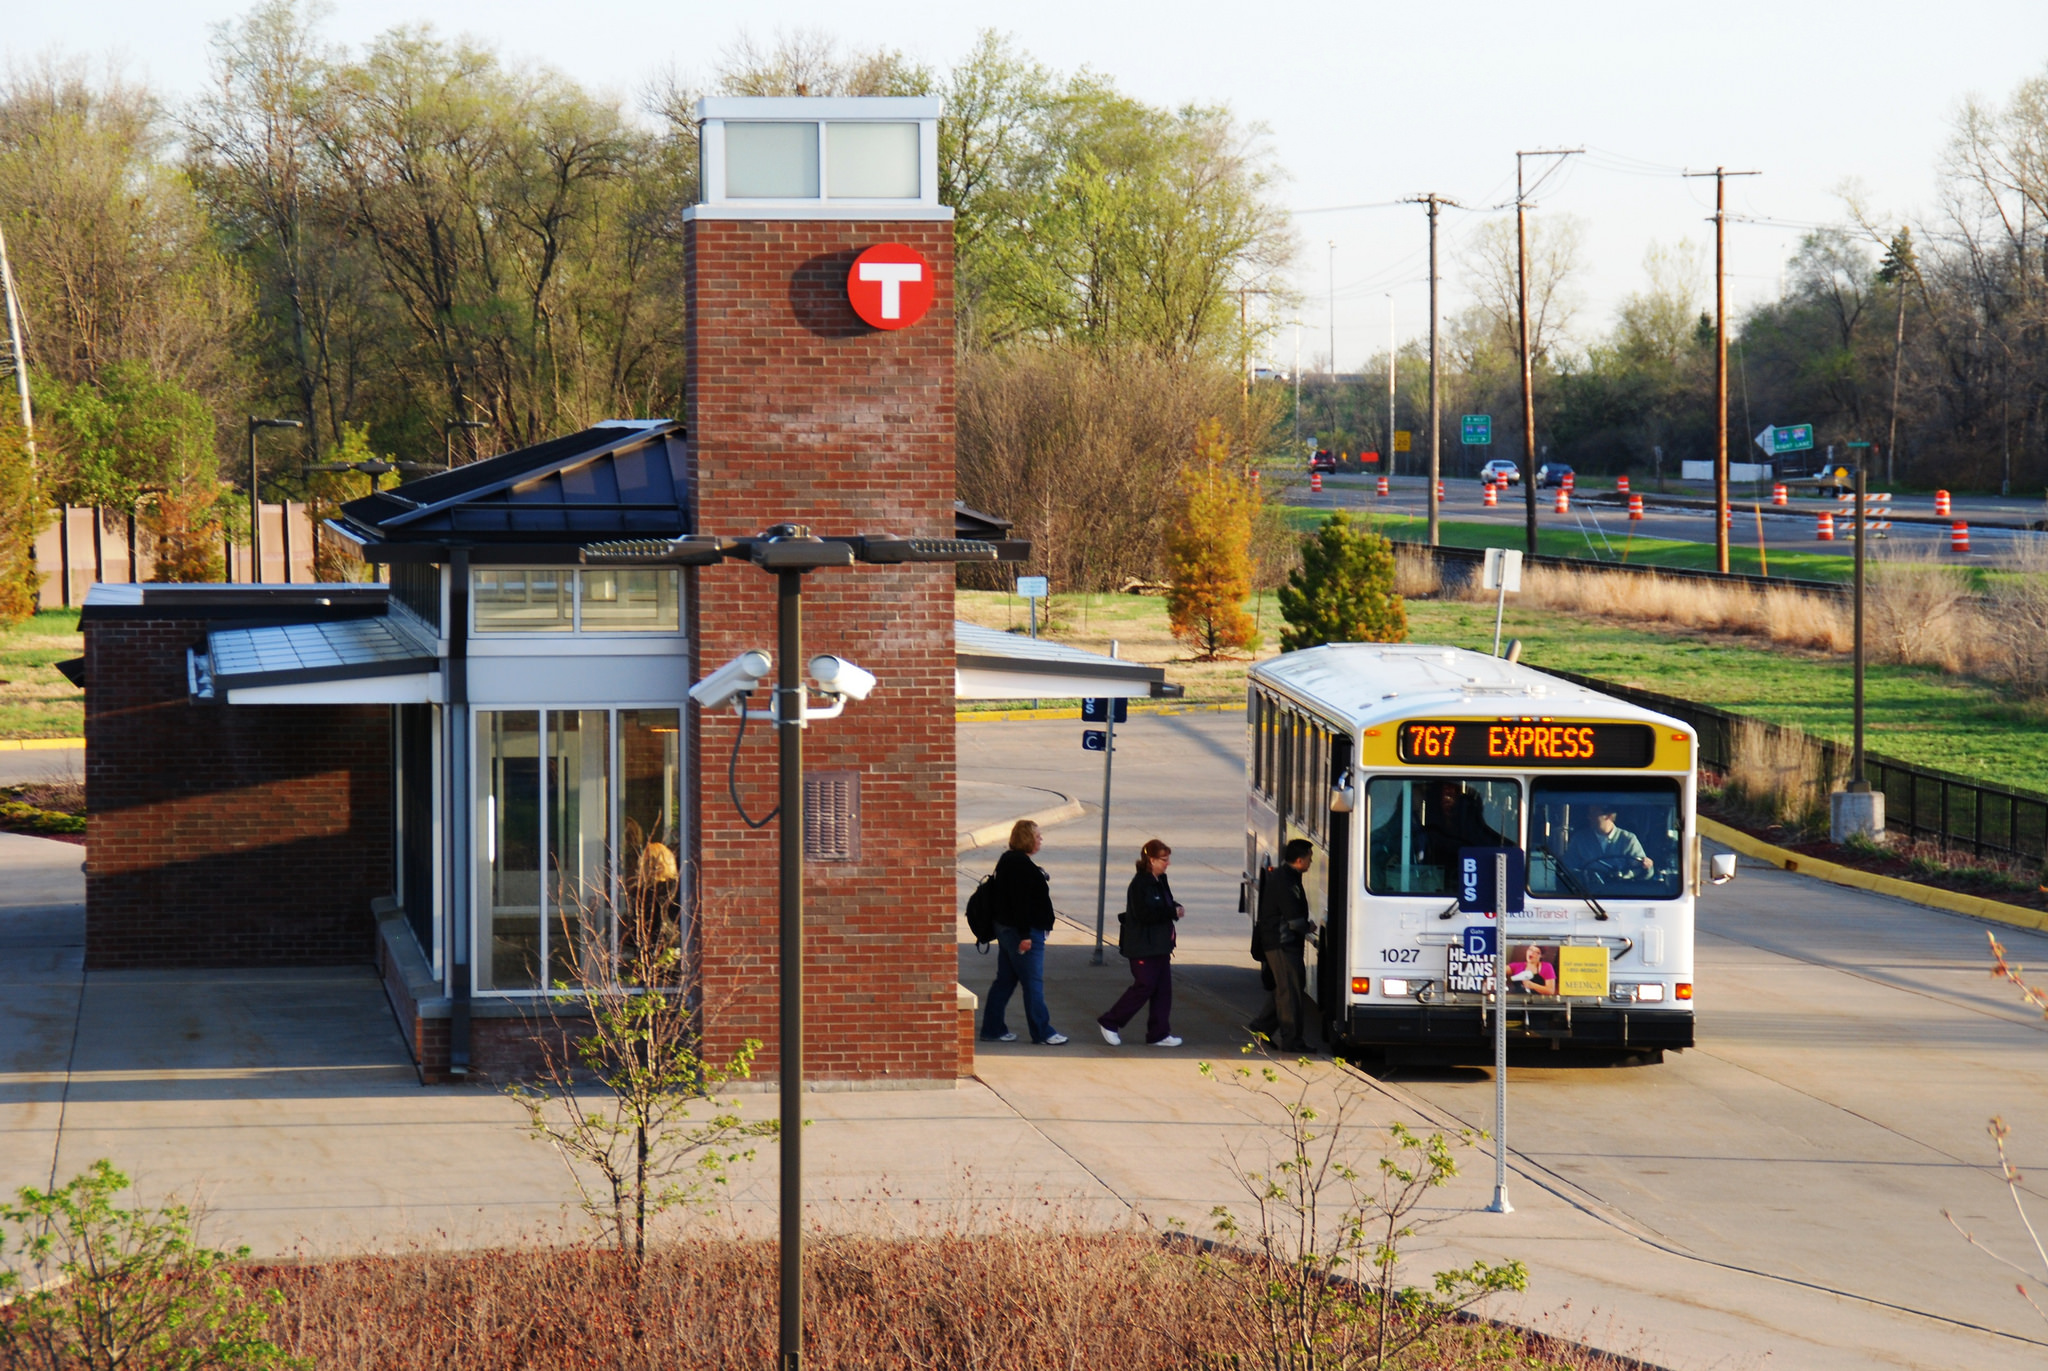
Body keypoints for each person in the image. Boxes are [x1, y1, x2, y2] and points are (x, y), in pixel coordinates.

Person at [980, 819, 1067, 1046]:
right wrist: (1025, 935)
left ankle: (992, 1028)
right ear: (1027, 838)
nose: (1040, 839)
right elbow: (1020, 904)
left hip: (1009, 930)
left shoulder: (1009, 861)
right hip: (1022, 933)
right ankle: (1042, 1032)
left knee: (1005, 981)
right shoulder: (1020, 865)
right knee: (1033, 983)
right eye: (1037, 836)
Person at [1098, 839, 1184, 1048]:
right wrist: (1171, 912)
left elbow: (1165, 903)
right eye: (1164, 859)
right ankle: (1110, 1022)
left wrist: (1175, 906)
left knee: (1163, 989)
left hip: (1160, 945)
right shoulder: (1140, 884)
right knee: (1144, 986)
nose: (1167, 863)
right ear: (1151, 859)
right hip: (1143, 947)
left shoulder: (1160, 880)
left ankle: (1159, 1033)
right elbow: (1144, 914)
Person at [1248, 838, 1315, 1053]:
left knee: (1284, 988)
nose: (1310, 862)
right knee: (1290, 994)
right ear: (1299, 860)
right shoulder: (1286, 881)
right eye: (1309, 859)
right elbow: (1293, 917)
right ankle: (1292, 1040)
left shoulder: (1284, 876)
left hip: (1279, 941)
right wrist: (1308, 927)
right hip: (1282, 944)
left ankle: (1261, 1027)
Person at [1562, 805, 1654, 886]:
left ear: (1608, 816)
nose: (1589, 817)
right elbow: (1568, 867)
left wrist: (1646, 866)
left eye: (1594, 813)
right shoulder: (1580, 839)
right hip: (1587, 893)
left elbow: (1642, 871)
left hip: (1621, 894)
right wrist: (1585, 875)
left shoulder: (1628, 839)